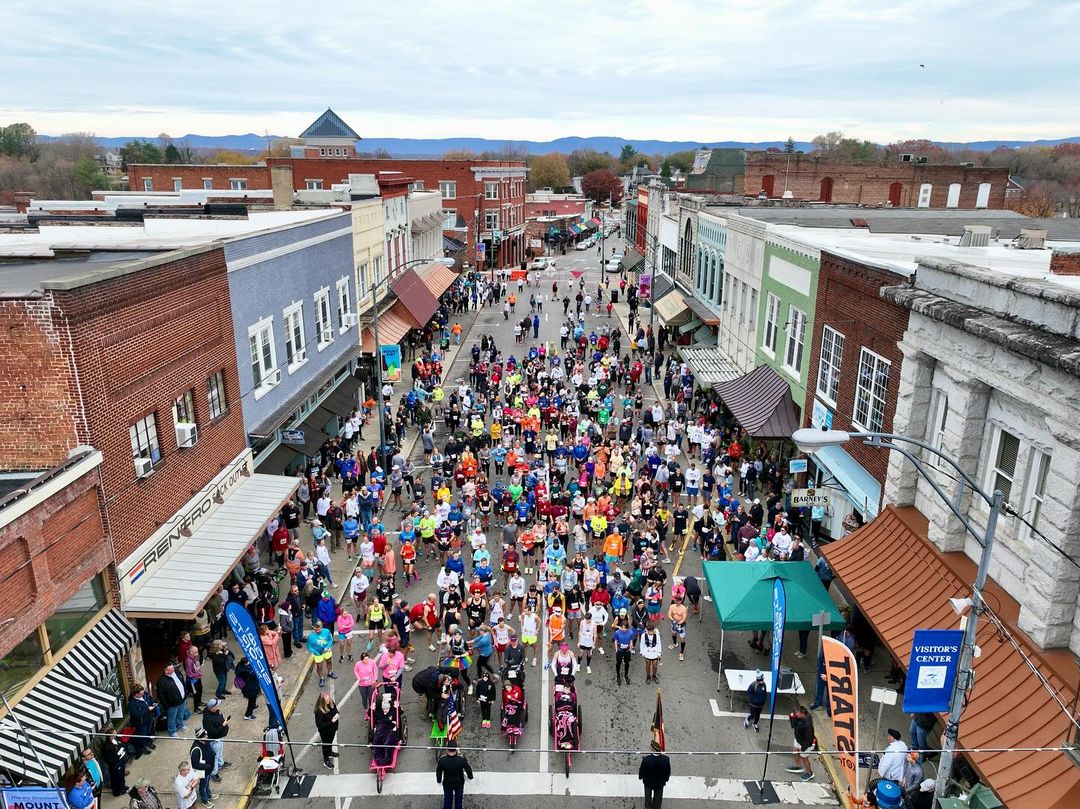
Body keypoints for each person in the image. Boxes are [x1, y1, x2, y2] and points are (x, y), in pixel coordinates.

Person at [435, 740, 474, 809]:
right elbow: (468, 769)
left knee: (447, 800)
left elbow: (439, 771)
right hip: (459, 783)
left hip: (447, 783)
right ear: (456, 749)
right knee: (458, 801)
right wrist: (470, 777)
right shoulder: (461, 759)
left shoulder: (442, 760)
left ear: (447, 749)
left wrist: (439, 780)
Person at [156, 663, 190, 738]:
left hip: (182, 700)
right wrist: (166, 705)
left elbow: (183, 683)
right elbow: (161, 695)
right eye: (171, 669)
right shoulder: (162, 681)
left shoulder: (177, 673)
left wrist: (185, 694)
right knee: (172, 718)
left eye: (173, 668)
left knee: (180, 714)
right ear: (166, 671)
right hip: (172, 704)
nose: (174, 669)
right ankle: (172, 731)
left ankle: (180, 725)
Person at [201, 699, 231, 782]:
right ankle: (214, 773)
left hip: (220, 737)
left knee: (220, 752)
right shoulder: (207, 719)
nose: (218, 707)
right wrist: (223, 725)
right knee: (215, 756)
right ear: (211, 708)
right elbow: (212, 732)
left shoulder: (216, 712)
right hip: (215, 740)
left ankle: (220, 763)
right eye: (216, 706)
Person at [785, 705, 816, 782]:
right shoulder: (798, 717)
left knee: (804, 758)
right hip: (798, 739)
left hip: (806, 744)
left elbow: (809, 738)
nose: (795, 714)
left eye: (797, 713)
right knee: (795, 752)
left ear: (802, 713)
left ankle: (810, 773)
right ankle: (798, 766)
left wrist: (804, 748)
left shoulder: (807, 724)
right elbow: (792, 719)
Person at [638, 740, 672, 809]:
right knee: (658, 798)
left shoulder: (646, 760)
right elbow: (668, 771)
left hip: (648, 782)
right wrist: (666, 779)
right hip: (659, 783)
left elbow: (642, 770)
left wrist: (641, 777)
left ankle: (648, 807)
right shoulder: (666, 759)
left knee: (648, 797)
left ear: (653, 749)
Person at [189, 729, 217, 807]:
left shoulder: (205, 741)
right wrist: (207, 766)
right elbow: (195, 764)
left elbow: (208, 749)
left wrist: (212, 754)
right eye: (205, 735)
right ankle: (204, 800)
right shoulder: (196, 749)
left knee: (207, 783)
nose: (207, 736)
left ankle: (208, 794)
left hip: (208, 770)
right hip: (203, 771)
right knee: (203, 786)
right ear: (201, 737)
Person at [314, 692, 341, 770]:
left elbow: (335, 709)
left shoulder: (331, 703)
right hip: (325, 732)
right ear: (322, 701)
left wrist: (337, 714)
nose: (329, 700)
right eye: (327, 699)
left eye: (329, 698)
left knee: (330, 742)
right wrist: (332, 721)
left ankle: (329, 752)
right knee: (326, 745)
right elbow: (320, 725)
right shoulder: (319, 711)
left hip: (333, 729)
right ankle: (326, 760)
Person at [102, 728, 129, 796]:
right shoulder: (107, 746)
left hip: (120, 761)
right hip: (115, 764)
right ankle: (117, 791)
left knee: (121, 775)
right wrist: (118, 755)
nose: (116, 733)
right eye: (114, 733)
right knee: (116, 778)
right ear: (111, 736)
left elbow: (120, 745)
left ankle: (123, 786)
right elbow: (109, 759)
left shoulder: (116, 740)